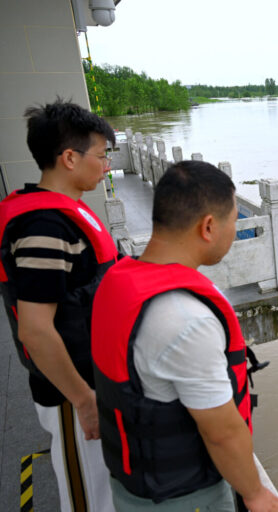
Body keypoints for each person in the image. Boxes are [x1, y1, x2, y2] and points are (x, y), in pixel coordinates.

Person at [91, 161, 278, 512]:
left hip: (132, 487)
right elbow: (221, 432)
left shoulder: (117, 281)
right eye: (234, 221)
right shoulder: (187, 321)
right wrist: (256, 494)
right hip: (184, 497)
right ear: (209, 227)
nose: (234, 231)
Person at [0, 99, 118, 511]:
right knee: (89, 495)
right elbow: (34, 329)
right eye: (102, 156)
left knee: (105, 484)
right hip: (72, 390)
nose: (106, 166)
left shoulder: (65, 215)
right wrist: (84, 400)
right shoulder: (43, 228)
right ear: (70, 157)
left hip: (93, 377)